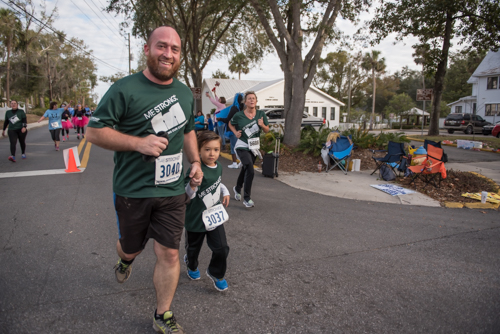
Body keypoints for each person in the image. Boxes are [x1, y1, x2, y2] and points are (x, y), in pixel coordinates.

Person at [86, 26, 202, 334]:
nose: (168, 54)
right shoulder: (124, 89)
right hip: (132, 191)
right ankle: (125, 259)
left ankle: (162, 314)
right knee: (131, 249)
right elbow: (93, 131)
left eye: (175, 49)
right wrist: (138, 143)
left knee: (170, 252)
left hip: (173, 189)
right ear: (148, 49)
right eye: (161, 47)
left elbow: (188, 130)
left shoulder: (183, 92)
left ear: (180, 56)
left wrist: (196, 161)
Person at [183, 131, 230, 291]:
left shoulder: (219, 167)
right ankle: (191, 264)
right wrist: (193, 184)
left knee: (222, 248)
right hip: (195, 219)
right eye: (207, 149)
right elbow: (186, 195)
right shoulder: (195, 169)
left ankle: (216, 272)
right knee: (193, 250)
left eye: (216, 150)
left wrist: (226, 191)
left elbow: (217, 183)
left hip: (214, 217)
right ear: (198, 150)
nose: (212, 154)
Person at [228, 91, 269, 208]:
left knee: (246, 168)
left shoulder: (261, 114)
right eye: (249, 98)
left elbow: (267, 130)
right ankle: (247, 198)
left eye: (253, 98)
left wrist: (262, 125)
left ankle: (237, 188)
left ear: (256, 101)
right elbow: (230, 124)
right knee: (250, 168)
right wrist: (235, 132)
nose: (251, 100)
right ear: (245, 102)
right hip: (242, 145)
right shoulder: (239, 115)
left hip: (254, 147)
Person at [217, 93, 245, 168]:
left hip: (233, 130)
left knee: (234, 146)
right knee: (241, 146)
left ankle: (234, 163)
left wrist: (220, 119)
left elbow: (228, 119)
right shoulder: (243, 108)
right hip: (242, 129)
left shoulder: (233, 108)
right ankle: (243, 162)